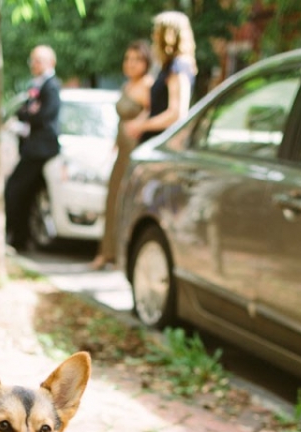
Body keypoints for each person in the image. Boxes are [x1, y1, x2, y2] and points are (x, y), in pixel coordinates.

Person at [91, 40, 153, 271]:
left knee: (127, 201)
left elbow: (151, 117)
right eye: (127, 59)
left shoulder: (148, 86)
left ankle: (122, 255)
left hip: (135, 151)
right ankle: (107, 252)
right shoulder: (127, 85)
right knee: (112, 200)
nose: (130, 63)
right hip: (121, 151)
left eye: (136, 59)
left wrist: (139, 125)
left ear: (146, 62)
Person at [5, 45, 61, 253]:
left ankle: (18, 237)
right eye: (33, 60)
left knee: (15, 188)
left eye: (38, 60)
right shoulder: (37, 85)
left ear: (49, 62)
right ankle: (22, 237)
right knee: (26, 195)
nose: (34, 65)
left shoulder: (51, 86)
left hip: (40, 149)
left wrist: (28, 114)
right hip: (33, 147)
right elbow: (25, 111)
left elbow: (44, 116)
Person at [125, 10, 197, 145]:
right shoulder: (169, 67)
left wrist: (141, 126)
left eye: (157, 32)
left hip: (163, 144)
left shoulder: (178, 67)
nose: (154, 36)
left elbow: (176, 114)